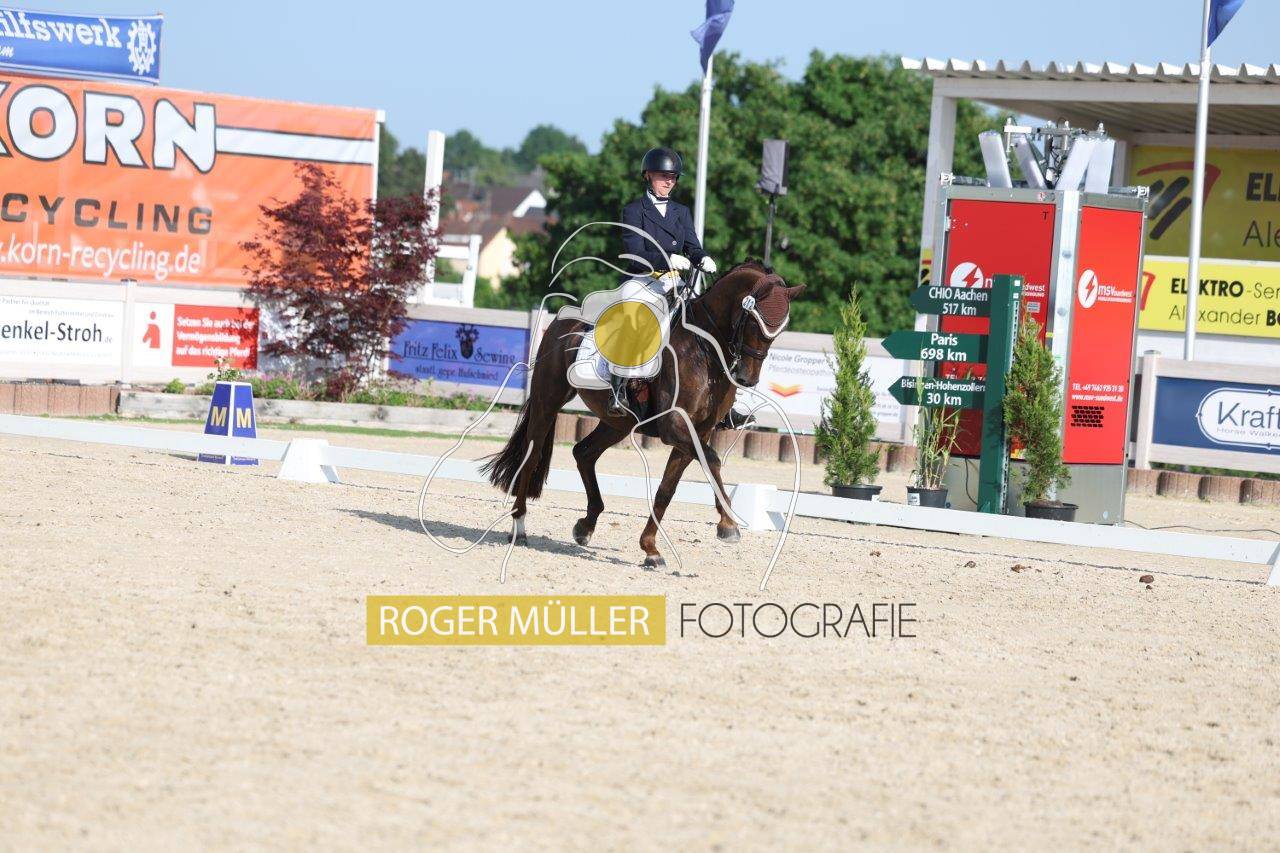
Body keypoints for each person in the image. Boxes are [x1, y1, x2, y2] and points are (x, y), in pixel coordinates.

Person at [611, 147, 755, 429]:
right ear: (648, 175)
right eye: (663, 176)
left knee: (709, 326)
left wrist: (702, 258)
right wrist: (666, 258)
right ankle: (619, 386)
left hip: (675, 282)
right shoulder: (634, 211)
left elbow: (692, 246)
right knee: (634, 316)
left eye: (673, 177)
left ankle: (724, 404)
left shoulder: (681, 212)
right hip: (642, 280)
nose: (669, 181)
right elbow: (633, 253)